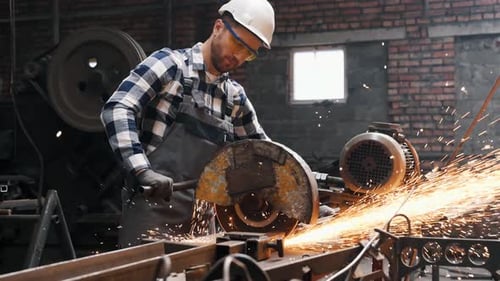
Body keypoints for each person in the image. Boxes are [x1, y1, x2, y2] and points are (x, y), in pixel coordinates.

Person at [100, 0, 275, 247]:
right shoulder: (170, 66)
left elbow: (268, 157)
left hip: (202, 225)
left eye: (248, 52)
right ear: (218, 27)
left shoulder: (235, 98)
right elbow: (118, 108)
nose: (238, 56)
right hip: (152, 217)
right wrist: (143, 171)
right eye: (237, 43)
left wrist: (305, 200)